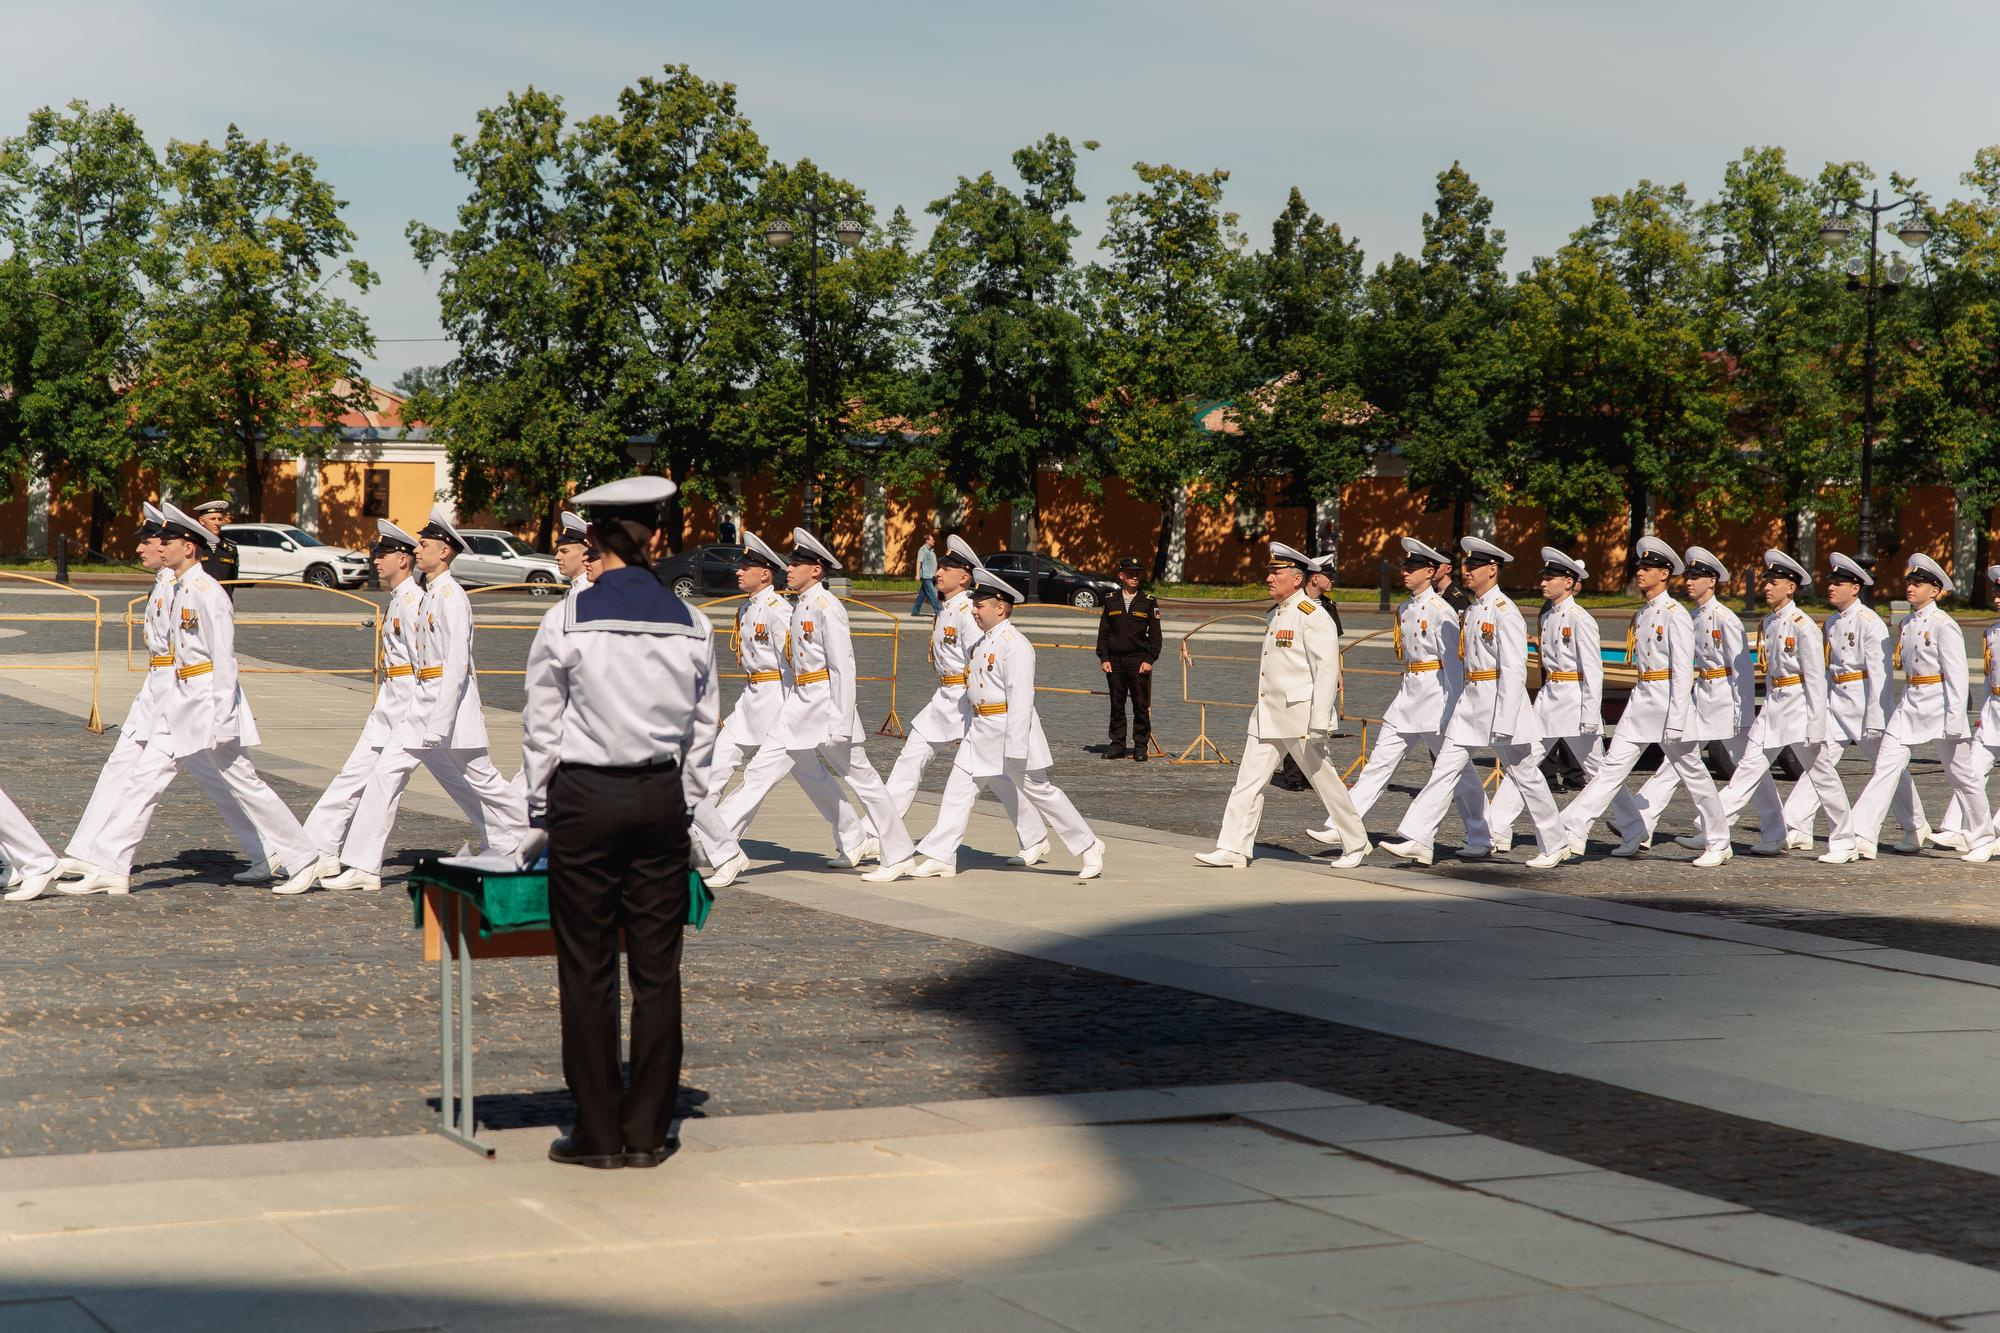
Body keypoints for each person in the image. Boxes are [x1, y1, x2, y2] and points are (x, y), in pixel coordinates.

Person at [518, 475, 718, 1169]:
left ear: (595, 539)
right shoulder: (693, 622)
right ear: (657, 538)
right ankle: (649, 1131)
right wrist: (682, 803)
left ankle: (598, 1132)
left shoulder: (566, 618)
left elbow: (542, 727)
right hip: (659, 794)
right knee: (659, 970)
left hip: (585, 795)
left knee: (587, 967)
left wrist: (539, 808)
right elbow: (704, 732)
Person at [57, 504, 321, 896]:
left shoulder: (207, 592)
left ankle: (304, 858)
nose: (160, 548)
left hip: (206, 703)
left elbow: (224, 660)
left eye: (168, 542)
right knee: (143, 780)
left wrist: (223, 716)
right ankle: (111, 865)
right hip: (180, 701)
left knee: (245, 783)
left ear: (189, 547)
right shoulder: (182, 588)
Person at [319, 506, 526, 892]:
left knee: (483, 779)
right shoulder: (432, 595)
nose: (417, 550)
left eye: (425, 545)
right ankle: (364, 865)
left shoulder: (452, 597)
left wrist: (440, 720)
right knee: (388, 774)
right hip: (423, 705)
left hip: (444, 707)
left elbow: (457, 664)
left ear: (444, 552)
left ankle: (531, 834)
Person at [291, 520, 485, 894]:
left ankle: (507, 838)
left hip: (411, 706)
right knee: (362, 775)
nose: (376, 561)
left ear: (402, 559)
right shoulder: (403, 599)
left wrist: (424, 711)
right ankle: (318, 850)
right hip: (395, 704)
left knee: (466, 780)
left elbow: (426, 663)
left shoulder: (414, 602)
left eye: (382, 554)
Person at [718, 528, 918, 878]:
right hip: (800, 705)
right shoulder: (801, 606)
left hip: (825, 706)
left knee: (865, 782)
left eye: (796, 564)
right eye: (790, 563)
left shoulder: (827, 607)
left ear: (816, 570)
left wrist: (841, 720)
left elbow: (843, 667)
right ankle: (718, 844)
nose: (788, 569)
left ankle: (899, 854)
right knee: (760, 772)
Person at [688, 530, 868, 888]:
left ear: (765, 574)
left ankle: (717, 845)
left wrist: (797, 709)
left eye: (746, 567)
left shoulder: (780, 611)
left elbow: (795, 664)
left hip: (782, 703)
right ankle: (853, 835)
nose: (738, 571)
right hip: (751, 701)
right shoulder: (747, 607)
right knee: (720, 764)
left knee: (767, 777)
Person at [904, 564, 1105, 880]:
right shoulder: (983, 642)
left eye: (980, 606)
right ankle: (941, 855)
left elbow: (1021, 700)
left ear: (1000, 608)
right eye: (974, 605)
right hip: (980, 730)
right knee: (958, 789)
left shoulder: (1016, 645)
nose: (974, 611)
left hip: (1009, 730)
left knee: (1041, 792)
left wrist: (1016, 747)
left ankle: (1089, 845)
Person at [1379, 537, 1569, 869]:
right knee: (1445, 767)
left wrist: (1506, 719)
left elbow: (1514, 669)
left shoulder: (1504, 610)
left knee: (1525, 775)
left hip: (1499, 702)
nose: (1467, 571)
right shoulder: (1474, 609)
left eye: (1474, 566)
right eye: (1467, 565)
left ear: (1492, 570)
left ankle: (1556, 842)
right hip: (1472, 702)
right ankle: (1420, 839)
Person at [1195, 542, 1367, 870]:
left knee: (1325, 782)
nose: (1269, 578)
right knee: (1247, 782)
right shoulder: (1277, 612)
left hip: (1301, 717)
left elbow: (1325, 671)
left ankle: (1356, 843)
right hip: (1268, 713)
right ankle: (1233, 847)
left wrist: (1320, 721)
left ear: (1297, 578)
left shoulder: (1313, 616)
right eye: (1269, 572)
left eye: (1277, 573)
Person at [1560, 537, 1729, 867]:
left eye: (1648, 568)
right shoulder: (1642, 614)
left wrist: (1678, 717)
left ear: (1664, 574)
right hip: (1642, 701)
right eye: (1639, 567)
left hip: (1668, 704)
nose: (1640, 572)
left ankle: (1719, 841)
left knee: (1694, 775)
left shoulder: (1675, 614)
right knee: (1611, 769)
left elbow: (1683, 671)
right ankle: (1577, 828)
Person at [884, 534, 1049, 859]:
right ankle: (877, 831)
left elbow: (983, 662)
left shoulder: (966, 612)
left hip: (966, 701)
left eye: (946, 569)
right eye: (939, 567)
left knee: (992, 773)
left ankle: (1033, 836)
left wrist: (981, 708)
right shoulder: (948, 608)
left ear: (964, 577)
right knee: (914, 760)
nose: (938, 573)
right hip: (946, 699)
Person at [1688, 550, 1854, 859]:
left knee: (1823, 778)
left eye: (1774, 583)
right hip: (1774, 708)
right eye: (1766, 582)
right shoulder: (1771, 623)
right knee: (1747, 771)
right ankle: (1739, 832)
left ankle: (1845, 842)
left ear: (1790, 588)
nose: (1766, 587)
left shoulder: (1802, 625)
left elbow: (1815, 679)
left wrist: (1817, 723)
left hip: (1800, 710)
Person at [1826, 553, 1991, 863]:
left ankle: (1982, 837)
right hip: (1910, 705)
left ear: (1935, 590)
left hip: (1939, 706)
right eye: (1910, 582)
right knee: (1885, 768)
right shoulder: (1907, 623)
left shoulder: (1944, 625)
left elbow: (1957, 676)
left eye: (1918, 584)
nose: (1911, 588)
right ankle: (1862, 837)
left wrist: (1956, 718)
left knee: (1962, 776)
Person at [1324, 537, 1487, 850]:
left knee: (1458, 770)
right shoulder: (1405, 608)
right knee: (1379, 763)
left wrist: (1456, 706)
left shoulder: (1441, 611)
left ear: (1430, 572)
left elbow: (1453, 665)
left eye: (1412, 567)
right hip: (1408, 696)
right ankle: (1343, 824)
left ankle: (1482, 834)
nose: (1405, 572)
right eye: (1405, 566)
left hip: (1436, 700)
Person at [1486, 547, 1641, 856]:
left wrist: (1590, 714)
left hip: (1574, 701)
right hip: (1549, 700)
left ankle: (1632, 826)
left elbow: (1593, 671)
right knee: (1524, 761)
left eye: (1551, 578)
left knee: (1596, 769)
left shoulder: (1580, 619)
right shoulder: (1548, 616)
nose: (1544, 583)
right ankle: (1497, 827)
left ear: (1569, 582)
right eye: (1544, 577)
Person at [1635, 546, 1788, 855]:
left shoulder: (1725, 618)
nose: (1689, 582)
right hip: (1701, 695)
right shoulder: (1690, 616)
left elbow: (1742, 669)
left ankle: (1775, 831)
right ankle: (1643, 822)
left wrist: (1744, 712)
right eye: (1688, 576)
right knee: (1677, 761)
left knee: (1749, 768)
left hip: (1725, 701)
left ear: (1712, 581)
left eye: (1696, 577)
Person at [1784, 553, 1935, 854]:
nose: (1831, 588)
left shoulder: (1870, 622)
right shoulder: (1831, 622)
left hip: (1865, 704)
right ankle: (1797, 825)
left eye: (1838, 584)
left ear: (1855, 588)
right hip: (1837, 703)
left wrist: (1877, 716)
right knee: (1818, 761)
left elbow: (1880, 673)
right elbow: (1830, 669)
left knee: (1888, 769)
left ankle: (1915, 825)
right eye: (1831, 583)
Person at [1096, 556, 1162, 761]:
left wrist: (1150, 659)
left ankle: (1141, 746)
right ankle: (1117, 745)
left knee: (1140, 705)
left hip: (1138, 660)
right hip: (1115, 660)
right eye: (1131, 573)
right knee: (1116, 704)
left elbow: (1156, 635)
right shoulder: (1111, 599)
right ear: (1121, 575)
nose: (1135, 577)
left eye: (1137, 573)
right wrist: (1104, 657)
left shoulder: (1148, 601)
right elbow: (1104, 632)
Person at [193, 499, 240, 598]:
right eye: (213, 519)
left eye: (220, 519)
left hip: (223, 600)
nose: (217, 523)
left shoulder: (230, 548)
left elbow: (232, 578)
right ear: (201, 521)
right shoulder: (194, 545)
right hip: (199, 599)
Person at [555, 511, 591, 597]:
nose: (557, 557)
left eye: (564, 551)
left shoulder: (590, 592)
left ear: (585, 554)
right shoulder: (572, 589)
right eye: (558, 551)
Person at [910, 533, 942, 618]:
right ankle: (939, 611)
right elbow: (918, 562)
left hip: (932, 576)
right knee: (932, 594)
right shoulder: (922, 550)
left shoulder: (931, 551)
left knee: (922, 595)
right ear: (927, 541)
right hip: (926, 577)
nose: (934, 541)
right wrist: (917, 574)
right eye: (932, 540)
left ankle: (915, 611)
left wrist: (936, 575)